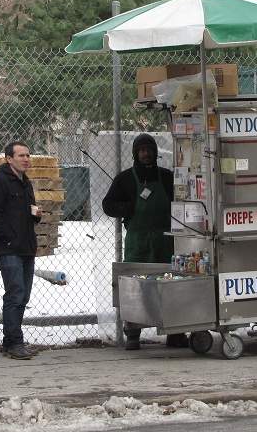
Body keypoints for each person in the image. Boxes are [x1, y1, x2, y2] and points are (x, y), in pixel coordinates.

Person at [102, 133, 188, 350]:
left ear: (155, 153)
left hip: (166, 241)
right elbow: (108, 205)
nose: (146, 154)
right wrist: (127, 208)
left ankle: (175, 333)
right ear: (135, 153)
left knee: (171, 285)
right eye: (141, 150)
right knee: (135, 286)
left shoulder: (168, 177)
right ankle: (133, 333)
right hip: (138, 242)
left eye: (149, 150)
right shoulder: (124, 179)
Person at [0, 141, 41, 360]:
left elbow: (29, 213)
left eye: (28, 155)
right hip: (9, 249)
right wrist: (8, 236)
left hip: (26, 247)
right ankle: (15, 342)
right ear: (8, 158)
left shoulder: (25, 183)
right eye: (21, 155)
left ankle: (11, 342)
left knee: (23, 295)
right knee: (15, 293)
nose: (26, 159)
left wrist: (36, 215)